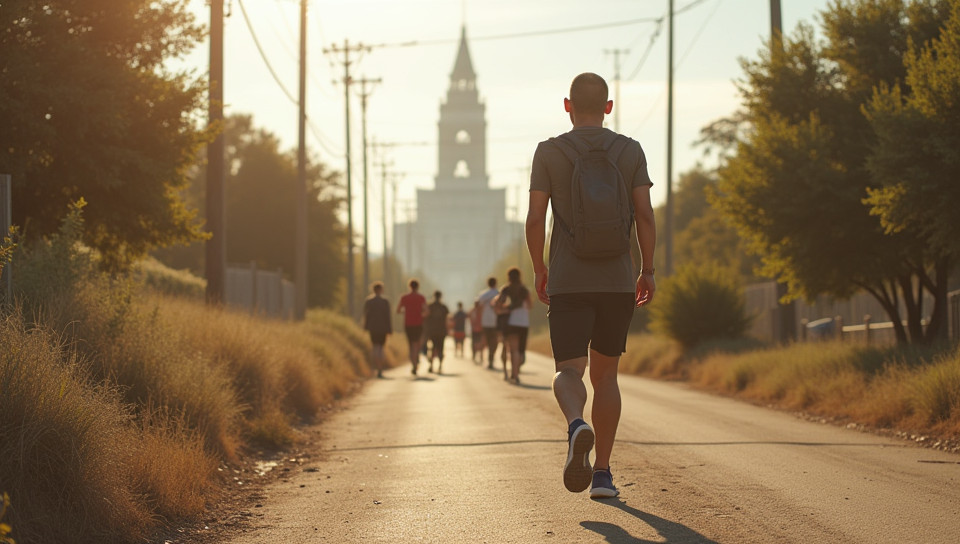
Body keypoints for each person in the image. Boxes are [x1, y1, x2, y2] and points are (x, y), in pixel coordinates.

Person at [526, 73, 656, 499]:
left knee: (568, 370)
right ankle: (602, 473)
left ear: (567, 105)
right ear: (608, 106)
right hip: (617, 280)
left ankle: (575, 424)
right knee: (607, 377)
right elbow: (645, 216)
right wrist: (647, 269)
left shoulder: (549, 152)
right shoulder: (630, 150)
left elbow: (535, 218)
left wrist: (539, 268)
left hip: (568, 279)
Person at [493, 267, 531, 384]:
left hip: (511, 322)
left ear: (508, 277)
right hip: (523, 322)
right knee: (520, 351)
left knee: (512, 349)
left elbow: (497, 303)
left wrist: (505, 309)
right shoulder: (525, 290)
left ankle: (513, 374)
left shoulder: (506, 289)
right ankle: (516, 373)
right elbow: (530, 305)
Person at [396, 279, 428, 376]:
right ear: (418, 287)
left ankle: (413, 363)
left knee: (410, 345)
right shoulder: (421, 297)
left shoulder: (404, 297)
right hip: (418, 323)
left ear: (409, 286)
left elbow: (398, 310)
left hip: (408, 324)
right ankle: (416, 361)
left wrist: (406, 312)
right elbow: (427, 311)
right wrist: (421, 315)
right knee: (416, 344)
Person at [363, 282, 392, 378]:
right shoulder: (385, 302)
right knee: (381, 348)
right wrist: (389, 329)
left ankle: (376, 367)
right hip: (383, 328)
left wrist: (365, 327)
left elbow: (366, 315)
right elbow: (388, 316)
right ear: (381, 290)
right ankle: (380, 368)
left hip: (373, 328)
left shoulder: (369, 301)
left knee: (375, 347)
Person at [476, 277, 501, 369]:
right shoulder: (499, 293)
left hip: (485, 321)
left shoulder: (483, 295)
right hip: (496, 322)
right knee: (494, 342)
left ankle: (484, 356)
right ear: (496, 283)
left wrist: (479, 318)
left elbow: (477, 306)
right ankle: (491, 357)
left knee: (486, 340)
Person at [424, 290, 451, 374]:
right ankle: (440, 365)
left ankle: (431, 365)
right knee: (440, 348)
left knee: (432, 348)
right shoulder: (444, 307)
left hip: (432, 330)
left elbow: (425, 318)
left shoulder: (430, 306)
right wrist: (448, 330)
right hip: (441, 331)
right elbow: (447, 320)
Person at [469, 299, 486, 364]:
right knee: (475, 343)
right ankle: (475, 355)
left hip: (480, 329)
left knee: (480, 343)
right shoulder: (474, 311)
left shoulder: (480, 310)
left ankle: (480, 356)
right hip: (476, 330)